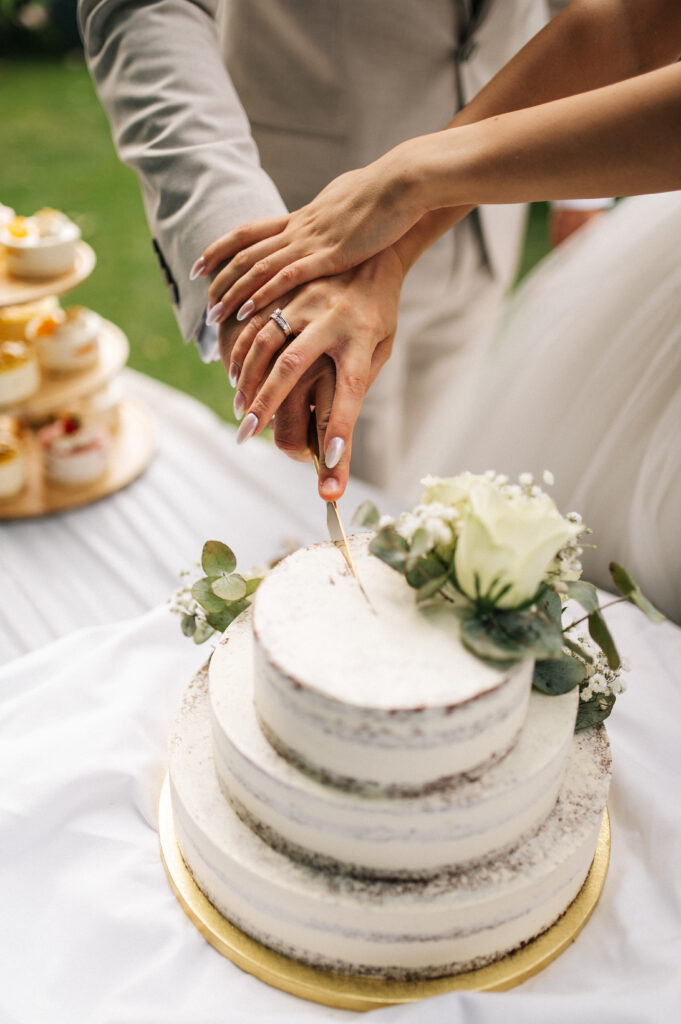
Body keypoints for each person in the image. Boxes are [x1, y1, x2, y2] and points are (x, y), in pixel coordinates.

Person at [79, 0, 597, 496]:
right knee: (323, 509)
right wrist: (249, 254)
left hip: (489, 225)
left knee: (426, 477)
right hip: (310, 243)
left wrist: (581, 190)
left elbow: (597, 17)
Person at [199, 0, 681, 502]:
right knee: (321, 491)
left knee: (430, 460)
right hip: (326, 193)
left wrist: (410, 181)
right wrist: (404, 201)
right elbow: (630, 23)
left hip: (484, 230)